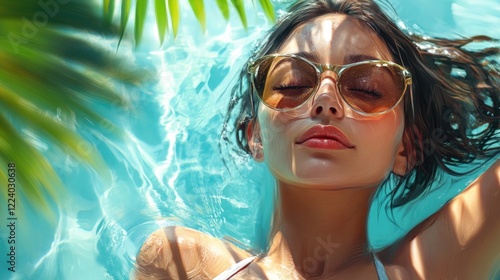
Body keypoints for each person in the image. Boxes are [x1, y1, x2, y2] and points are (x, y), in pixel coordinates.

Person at [134, 0, 500, 279]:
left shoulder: (425, 269)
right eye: (292, 84)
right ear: (255, 135)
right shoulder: (179, 261)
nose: (325, 100)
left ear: (407, 146)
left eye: (366, 89)